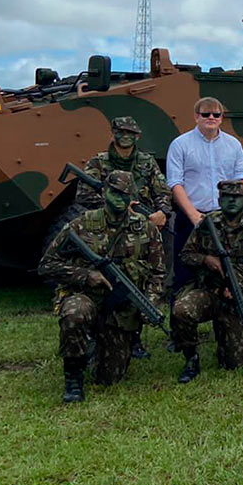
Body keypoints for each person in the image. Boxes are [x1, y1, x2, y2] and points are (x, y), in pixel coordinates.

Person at [39, 171, 164, 403]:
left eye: (125, 195)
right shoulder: (81, 224)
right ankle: (73, 376)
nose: (119, 198)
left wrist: (150, 302)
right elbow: (47, 265)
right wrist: (87, 275)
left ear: (132, 199)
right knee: (74, 313)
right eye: (115, 193)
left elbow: (158, 273)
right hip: (86, 296)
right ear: (105, 192)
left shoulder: (145, 229)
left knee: (110, 377)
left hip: (119, 308)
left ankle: (94, 345)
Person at [75, 114, 173, 360]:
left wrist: (162, 212)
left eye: (131, 133)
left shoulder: (146, 162)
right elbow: (84, 196)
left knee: (138, 278)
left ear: (137, 136)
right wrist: (117, 205)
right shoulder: (99, 163)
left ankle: (135, 338)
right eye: (121, 132)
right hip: (106, 230)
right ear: (113, 133)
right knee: (109, 281)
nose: (125, 136)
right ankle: (96, 333)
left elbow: (161, 189)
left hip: (140, 229)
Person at [172, 179, 243, 383]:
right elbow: (185, 255)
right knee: (181, 310)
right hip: (209, 292)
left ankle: (224, 335)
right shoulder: (207, 224)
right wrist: (206, 259)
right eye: (227, 197)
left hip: (239, 297)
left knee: (234, 363)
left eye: (237, 198)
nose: (232, 202)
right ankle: (191, 358)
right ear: (220, 199)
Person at [165, 97, 243, 294]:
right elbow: (175, 183)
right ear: (196, 117)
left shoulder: (233, 145)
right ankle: (182, 317)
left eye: (216, 114)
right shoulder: (180, 145)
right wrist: (193, 215)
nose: (211, 117)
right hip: (191, 216)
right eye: (205, 114)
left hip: (224, 217)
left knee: (227, 271)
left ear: (221, 118)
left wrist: (233, 209)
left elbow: (241, 177)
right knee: (185, 271)